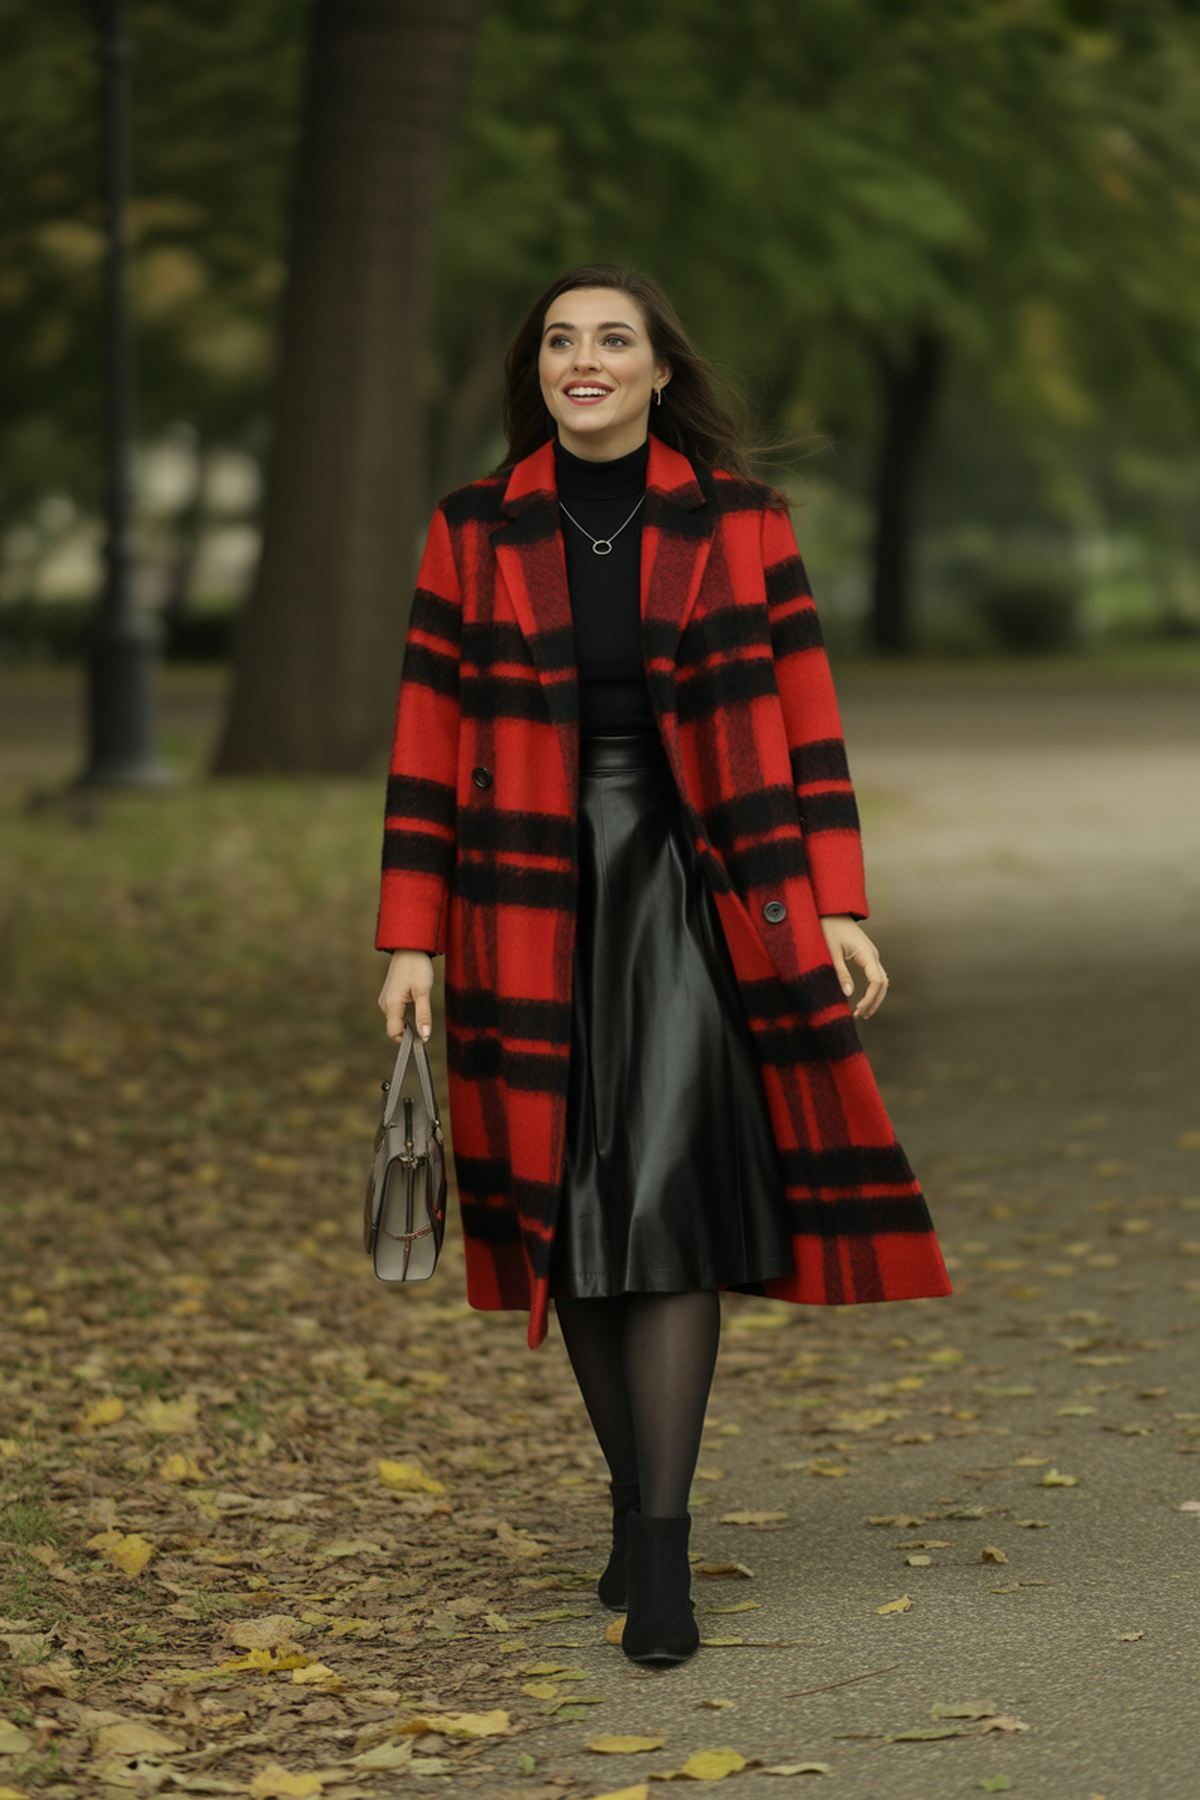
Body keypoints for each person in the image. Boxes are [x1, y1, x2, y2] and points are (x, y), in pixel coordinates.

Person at [376, 263, 951, 1666]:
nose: (586, 360)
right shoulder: (470, 530)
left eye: (612, 340)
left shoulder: (743, 524)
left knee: (673, 1194)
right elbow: (426, 736)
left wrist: (835, 903)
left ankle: (668, 1556)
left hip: (704, 886)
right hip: (522, 888)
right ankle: (632, 1514)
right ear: (545, 373)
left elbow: (805, 713)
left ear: (656, 370)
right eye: (563, 342)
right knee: (562, 1202)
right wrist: (408, 935)